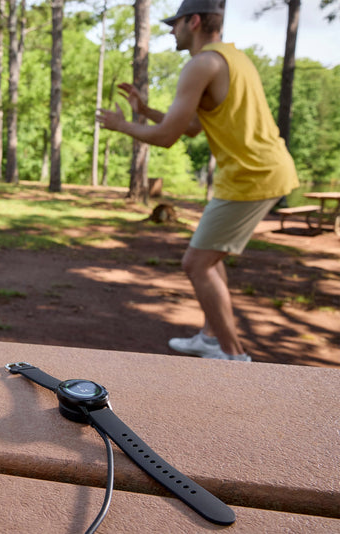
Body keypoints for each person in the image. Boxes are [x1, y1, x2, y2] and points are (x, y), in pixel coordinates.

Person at [95, 0, 298, 362]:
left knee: (196, 263)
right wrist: (145, 111)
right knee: (210, 257)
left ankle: (233, 356)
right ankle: (210, 336)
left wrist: (121, 125)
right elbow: (190, 127)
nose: (171, 31)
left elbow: (166, 137)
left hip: (253, 175)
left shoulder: (202, 64)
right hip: (253, 172)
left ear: (194, 21)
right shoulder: (231, 59)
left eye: (175, 23)